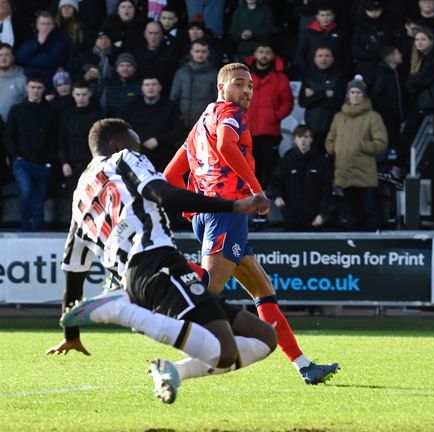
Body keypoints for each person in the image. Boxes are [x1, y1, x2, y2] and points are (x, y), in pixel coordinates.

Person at [48, 117, 277, 404]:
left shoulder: (79, 198)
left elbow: (73, 271)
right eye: (136, 143)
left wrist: (71, 333)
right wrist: (233, 204)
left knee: (265, 336)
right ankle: (119, 310)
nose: (140, 150)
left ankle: (173, 371)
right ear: (116, 144)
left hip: (138, 278)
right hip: (155, 258)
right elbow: (161, 192)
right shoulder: (125, 158)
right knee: (224, 351)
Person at [164, 63, 340, 385]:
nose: (246, 91)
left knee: (263, 291)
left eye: (250, 87)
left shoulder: (199, 124)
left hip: (209, 215)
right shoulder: (230, 113)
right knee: (207, 291)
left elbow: (171, 177)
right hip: (228, 212)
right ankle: (159, 276)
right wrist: (256, 191)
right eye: (239, 84)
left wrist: (195, 207)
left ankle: (304, 366)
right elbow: (226, 146)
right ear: (221, 87)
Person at [325, 75, 388, 231]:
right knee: (349, 214)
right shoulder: (339, 117)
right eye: (352, 92)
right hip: (345, 173)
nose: (355, 95)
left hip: (365, 175)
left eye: (358, 92)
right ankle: (353, 250)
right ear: (348, 95)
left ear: (364, 95)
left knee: (370, 212)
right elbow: (329, 140)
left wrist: (360, 146)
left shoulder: (373, 117)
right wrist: (336, 149)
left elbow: (381, 143)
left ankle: (374, 249)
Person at [4, 75, 57, 232]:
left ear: (43, 89)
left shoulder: (51, 112)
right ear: (27, 88)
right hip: (22, 161)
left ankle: (36, 230)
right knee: (26, 191)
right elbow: (8, 135)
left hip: (43, 162)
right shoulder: (17, 110)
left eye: (38, 88)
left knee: (39, 199)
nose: (35, 91)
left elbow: (55, 137)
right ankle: (25, 228)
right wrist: (15, 156)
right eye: (32, 87)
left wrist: (50, 161)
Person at [245, 42, 293, 189]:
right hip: (248, 130)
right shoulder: (244, 76)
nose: (264, 55)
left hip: (270, 131)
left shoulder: (281, 78)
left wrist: (275, 115)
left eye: (267, 52)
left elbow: (287, 102)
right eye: (261, 51)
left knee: (269, 168)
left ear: (272, 56)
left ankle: (266, 203)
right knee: (249, 168)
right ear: (255, 55)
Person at [398, 26, 434, 174]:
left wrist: (411, 83)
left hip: (427, 103)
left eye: (423, 39)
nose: (419, 43)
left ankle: (400, 168)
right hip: (421, 101)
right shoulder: (421, 58)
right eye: (417, 39)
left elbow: (421, 80)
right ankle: (402, 167)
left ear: (431, 41)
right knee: (407, 133)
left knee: (408, 134)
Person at [271, 125, 332, 231]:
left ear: (311, 139)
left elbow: (326, 190)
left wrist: (322, 215)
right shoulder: (287, 159)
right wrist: (278, 196)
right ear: (294, 139)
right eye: (299, 137)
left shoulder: (320, 162)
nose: (303, 140)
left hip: (314, 219)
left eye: (306, 137)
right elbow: (277, 181)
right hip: (291, 218)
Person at [126, 76, 185, 171]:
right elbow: (126, 129)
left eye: (154, 84)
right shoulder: (133, 106)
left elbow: (179, 131)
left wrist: (158, 140)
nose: (150, 88)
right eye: (147, 85)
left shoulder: (171, 106)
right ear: (142, 88)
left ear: (159, 87)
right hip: (138, 157)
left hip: (164, 157)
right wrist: (141, 140)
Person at [58, 81, 103, 202]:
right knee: (73, 200)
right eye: (78, 94)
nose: (81, 98)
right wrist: (64, 162)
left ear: (89, 94)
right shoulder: (67, 115)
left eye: (83, 94)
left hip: (91, 164)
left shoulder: (97, 115)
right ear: (73, 95)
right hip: (71, 164)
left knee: (92, 199)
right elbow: (62, 139)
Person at [298, 46, 345, 153]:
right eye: (320, 56)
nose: (323, 59)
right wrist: (324, 93)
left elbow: (337, 102)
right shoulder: (308, 77)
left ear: (332, 59)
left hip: (332, 128)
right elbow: (303, 102)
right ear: (315, 59)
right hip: (311, 128)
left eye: (327, 56)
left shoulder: (339, 77)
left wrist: (314, 94)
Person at [370, 45, 404, 188]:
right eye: (397, 52)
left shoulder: (395, 73)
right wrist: (389, 111)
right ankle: (385, 171)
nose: (401, 54)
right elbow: (375, 96)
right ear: (390, 57)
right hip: (388, 118)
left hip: (395, 118)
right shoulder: (384, 73)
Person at [15, 11, 69, 91]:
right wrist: (38, 43)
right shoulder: (31, 40)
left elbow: (52, 61)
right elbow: (19, 58)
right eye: (42, 24)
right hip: (28, 79)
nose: (45, 27)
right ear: (37, 26)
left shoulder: (60, 41)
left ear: (53, 25)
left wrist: (29, 60)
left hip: (49, 79)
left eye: (48, 24)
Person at [170, 39, 217, 129]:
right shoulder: (181, 72)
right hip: (181, 124)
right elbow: (173, 98)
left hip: (205, 125)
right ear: (191, 52)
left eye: (203, 51)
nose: (200, 54)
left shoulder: (214, 74)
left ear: (208, 53)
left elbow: (217, 100)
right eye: (197, 51)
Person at [293, 6, 344, 78]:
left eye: (328, 15)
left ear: (333, 16)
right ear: (317, 17)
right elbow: (301, 52)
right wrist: (305, 70)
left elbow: (344, 52)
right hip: (311, 73)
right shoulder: (308, 32)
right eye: (322, 15)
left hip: (334, 73)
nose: (325, 18)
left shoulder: (340, 31)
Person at [351, 0, 393, 85]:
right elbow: (355, 50)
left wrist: (372, 49)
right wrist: (377, 53)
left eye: (377, 10)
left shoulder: (387, 26)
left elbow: (390, 46)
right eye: (371, 10)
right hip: (365, 69)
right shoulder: (360, 28)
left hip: (385, 67)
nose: (374, 13)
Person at [131, 21, 176, 89]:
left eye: (156, 33)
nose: (153, 37)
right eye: (150, 33)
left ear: (162, 35)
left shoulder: (170, 54)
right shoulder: (136, 54)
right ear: (145, 34)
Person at [100, 52, 141, 118]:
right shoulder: (108, 85)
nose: (125, 68)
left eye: (128, 66)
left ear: (134, 69)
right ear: (117, 69)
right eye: (121, 65)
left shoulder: (141, 86)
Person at [0, 43, 26, 122]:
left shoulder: (23, 79)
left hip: (13, 128)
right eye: (0, 55)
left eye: (7, 55)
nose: (3, 58)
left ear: (13, 57)